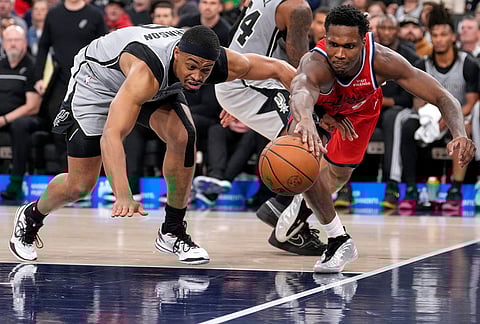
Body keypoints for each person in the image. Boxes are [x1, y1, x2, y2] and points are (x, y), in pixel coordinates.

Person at [8, 25, 297, 265]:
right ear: (177, 53)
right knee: (81, 184)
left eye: (206, 70)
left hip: (149, 81)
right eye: (192, 67)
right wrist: (123, 193)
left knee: (184, 136)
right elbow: (112, 134)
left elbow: (280, 69)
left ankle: (172, 231)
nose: (197, 76)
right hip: (97, 82)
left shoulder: (217, 61)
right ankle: (32, 216)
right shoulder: (147, 72)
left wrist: (316, 111)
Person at [276, 5, 475, 273]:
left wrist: (459, 133)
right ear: (325, 37)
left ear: (364, 41)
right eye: (333, 44)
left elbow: (441, 95)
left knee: (337, 175)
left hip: (360, 113)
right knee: (302, 154)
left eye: (349, 46)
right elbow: (300, 92)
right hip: (318, 109)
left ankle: (307, 202)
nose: (339, 54)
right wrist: (304, 120)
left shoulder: (382, 60)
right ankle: (338, 239)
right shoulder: (315, 62)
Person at [215, 0, 327, 256]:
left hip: (247, 76)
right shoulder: (298, 8)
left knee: (314, 138)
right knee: (309, 140)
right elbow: (301, 66)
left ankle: (279, 206)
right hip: (252, 80)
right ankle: (289, 227)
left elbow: (234, 37)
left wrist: (231, 78)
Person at [0, 25, 45, 200]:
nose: (12, 44)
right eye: (9, 40)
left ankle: (16, 183)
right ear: (3, 44)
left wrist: (4, 119)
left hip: (27, 118)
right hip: (3, 118)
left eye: (16, 40)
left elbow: (32, 106)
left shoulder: (32, 66)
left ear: (25, 43)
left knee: (20, 125)